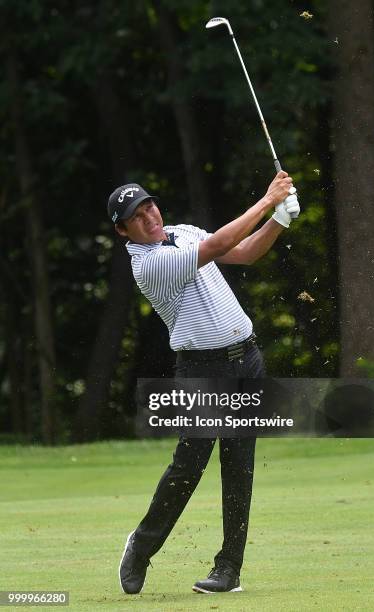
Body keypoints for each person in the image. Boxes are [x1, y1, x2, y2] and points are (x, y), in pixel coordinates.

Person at [107, 172, 300, 595]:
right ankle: (141, 547)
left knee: (239, 467)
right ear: (123, 230)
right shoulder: (149, 263)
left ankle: (228, 569)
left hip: (247, 361)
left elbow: (243, 254)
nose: (149, 217)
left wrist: (279, 221)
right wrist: (268, 200)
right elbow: (217, 247)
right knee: (189, 466)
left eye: (149, 206)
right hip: (202, 369)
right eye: (136, 217)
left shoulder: (182, 232)